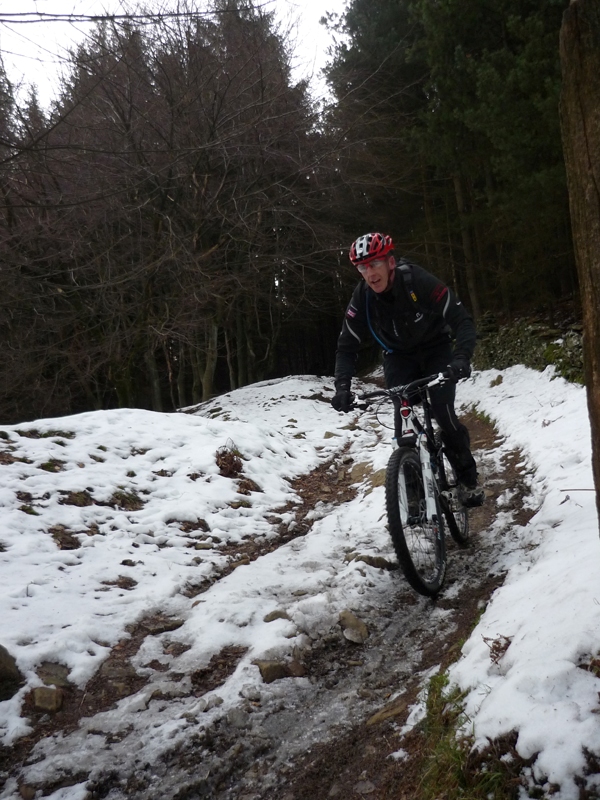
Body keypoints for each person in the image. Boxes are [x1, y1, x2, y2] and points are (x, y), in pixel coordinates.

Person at [331, 232, 484, 507]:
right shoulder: (362, 298)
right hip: (398, 357)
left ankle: (467, 479)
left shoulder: (417, 280)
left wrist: (461, 358)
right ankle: (415, 497)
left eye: (375, 264)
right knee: (403, 427)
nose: (370, 273)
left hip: (436, 349)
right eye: (362, 267)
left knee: (443, 413)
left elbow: (461, 319)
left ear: (390, 262)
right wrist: (342, 386)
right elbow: (346, 346)